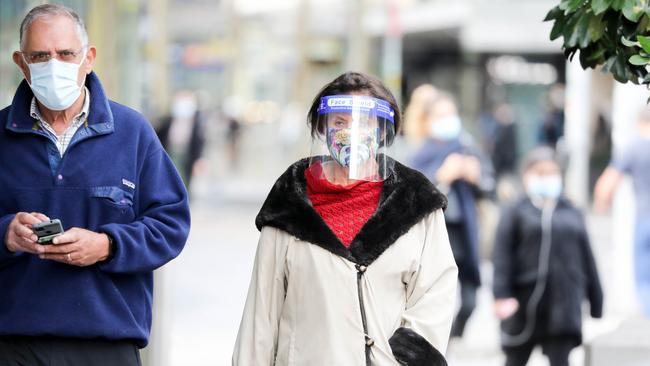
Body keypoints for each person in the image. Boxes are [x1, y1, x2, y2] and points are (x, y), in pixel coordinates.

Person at [0, 4, 190, 365]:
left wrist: (108, 245)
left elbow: (171, 225)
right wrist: (6, 234)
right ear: (21, 63)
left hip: (105, 345)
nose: (53, 65)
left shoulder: (132, 133)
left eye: (65, 54)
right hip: (12, 345)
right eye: (39, 56)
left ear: (89, 58)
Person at [233, 72, 458, 366]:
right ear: (323, 128)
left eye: (364, 122)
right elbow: (261, 313)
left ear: (381, 131)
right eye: (339, 122)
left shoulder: (416, 202)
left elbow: (435, 293)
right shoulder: (290, 204)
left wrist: (400, 359)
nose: (350, 131)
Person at [493, 147, 603, 366]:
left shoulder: (571, 211)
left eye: (552, 173)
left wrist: (596, 301)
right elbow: (502, 256)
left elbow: (587, 258)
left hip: (564, 305)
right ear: (527, 176)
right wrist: (501, 295)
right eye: (540, 173)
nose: (547, 179)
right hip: (524, 305)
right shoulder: (515, 212)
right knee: (515, 359)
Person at [408, 89, 494, 338]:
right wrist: (441, 177)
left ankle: (453, 337)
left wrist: (476, 178)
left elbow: (489, 187)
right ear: (428, 120)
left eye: (451, 114)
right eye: (441, 115)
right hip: (433, 237)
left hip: (464, 234)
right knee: (434, 302)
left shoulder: (467, 149)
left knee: (470, 301)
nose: (449, 120)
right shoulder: (418, 155)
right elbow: (410, 198)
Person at [594, 108, 650, 316]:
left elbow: (606, 184)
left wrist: (602, 205)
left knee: (644, 279)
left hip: (645, 218)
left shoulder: (633, 148)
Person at [156, 90, 206, 190]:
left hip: (187, 156)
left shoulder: (196, 123)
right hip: (170, 154)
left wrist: (199, 160)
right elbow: (158, 136)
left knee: (184, 182)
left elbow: (199, 142)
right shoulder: (167, 121)